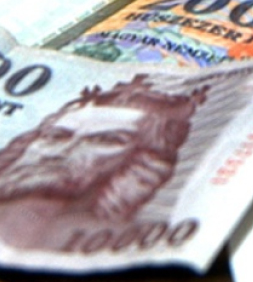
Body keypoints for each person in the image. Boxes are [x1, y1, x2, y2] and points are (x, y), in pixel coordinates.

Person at [0, 75, 206, 250]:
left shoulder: (120, 241)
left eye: (104, 141)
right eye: (55, 136)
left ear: (141, 161)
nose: (62, 152)